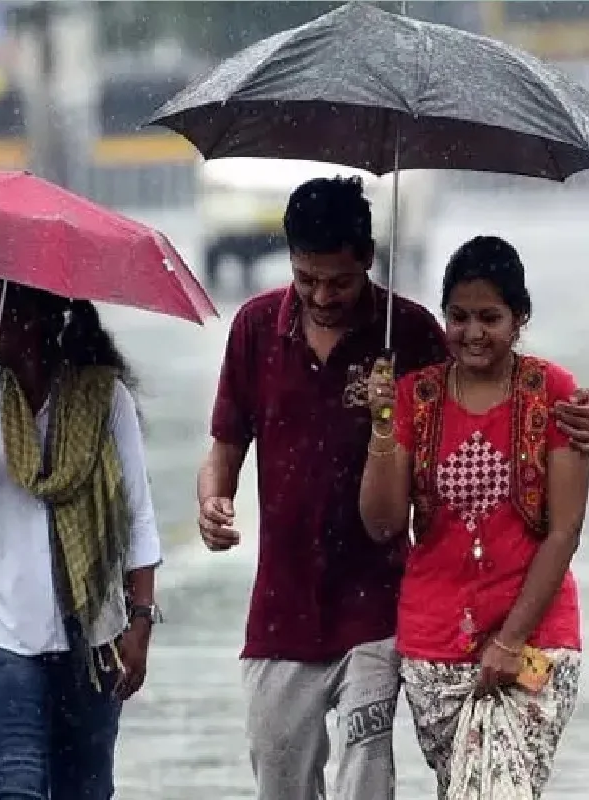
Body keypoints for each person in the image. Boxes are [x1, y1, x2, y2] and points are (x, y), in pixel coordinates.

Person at [196, 176, 589, 800]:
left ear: (369, 262)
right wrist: (213, 501)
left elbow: (487, 394)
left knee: (367, 782)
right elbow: (225, 442)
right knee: (280, 778)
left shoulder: (406, 335)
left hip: (376, 605)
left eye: (340, 281)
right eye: (306, 278)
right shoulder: (253, 330)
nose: (322, 295)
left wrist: (570, 419)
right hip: (283, 604)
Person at [361, 235, 587, 798]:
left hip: (534, 643)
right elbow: (384, 523)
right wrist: (383, 426)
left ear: (520, 318)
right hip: (435, 647)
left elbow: (565, 532)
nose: (473, 333)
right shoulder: (416, 396)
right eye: (458, 317)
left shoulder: (553, 394)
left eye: (491, 317)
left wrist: (509, 642)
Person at [0, 276, 162, 799]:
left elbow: (138, 516)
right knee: (16, 789)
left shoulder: (105, 401)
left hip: (91, 636)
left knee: (85, 790)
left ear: (32, 323)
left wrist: (140, 622)